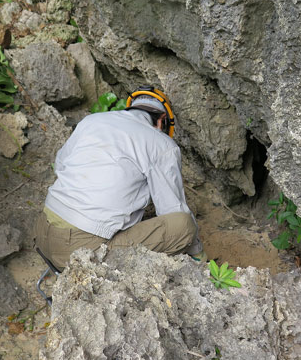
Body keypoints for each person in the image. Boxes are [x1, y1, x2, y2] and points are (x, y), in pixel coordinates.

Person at [34, 85, 206, 270]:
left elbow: (60, 164)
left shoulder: (92, 121)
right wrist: (197, 252)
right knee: (183, 225)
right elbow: (172, 210)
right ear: (162, 120)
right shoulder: (161, 143)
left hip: (42, 233)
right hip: (79, 254)